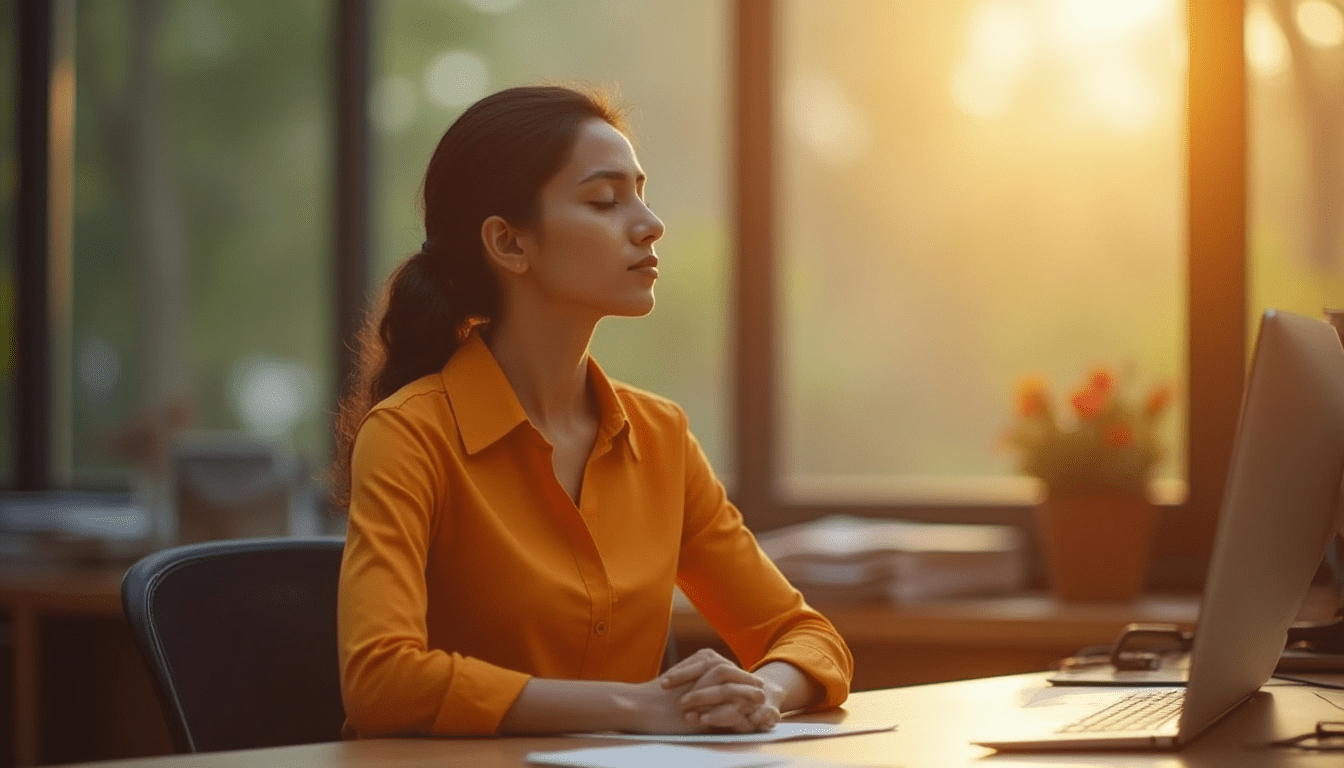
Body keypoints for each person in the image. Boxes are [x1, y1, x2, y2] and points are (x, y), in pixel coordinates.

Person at [332, 84, 852, 738]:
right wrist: (638, 707)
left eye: (641, 191)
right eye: (605, 201)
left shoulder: (661, 436)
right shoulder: (410, 435)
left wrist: (760, 693)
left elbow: (805, 635)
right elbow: (381, 681)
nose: (649, 221)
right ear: (509, 243)